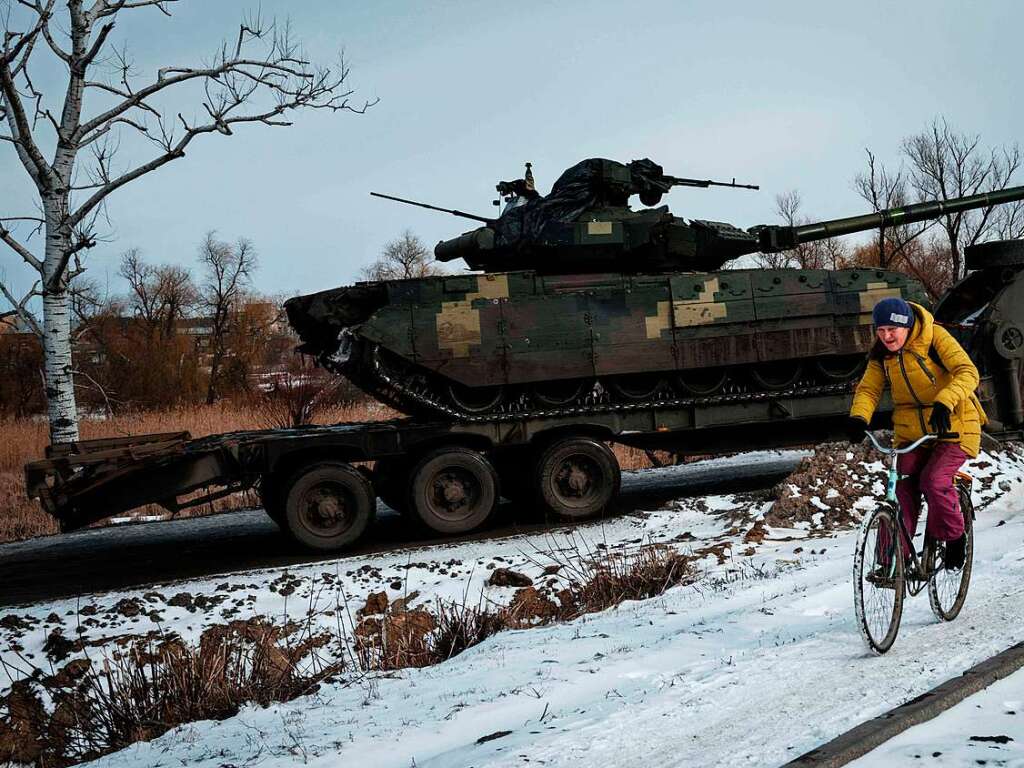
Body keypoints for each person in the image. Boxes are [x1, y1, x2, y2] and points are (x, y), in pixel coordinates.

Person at [846, 296, 986, 571]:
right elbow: (869, 389)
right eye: (881, 330)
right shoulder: (882, 355)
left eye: (892, 330)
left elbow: (968, 372)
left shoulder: (934, 337)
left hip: (954, 422)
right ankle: (891, 561)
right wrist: (859, 417)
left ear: (907, 327)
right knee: (903, 486)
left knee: (933, 481)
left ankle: (955, 537)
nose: (886, 336)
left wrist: (945, 401)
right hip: (913, 433)